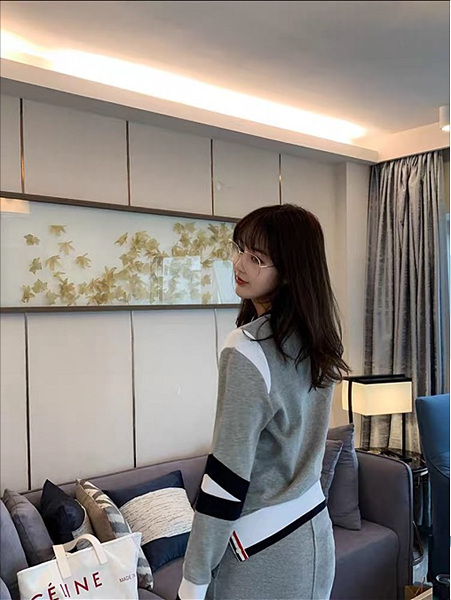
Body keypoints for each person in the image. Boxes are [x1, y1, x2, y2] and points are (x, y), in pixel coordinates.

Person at [177, 204, 349, 600]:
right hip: (314, 533)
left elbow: (226, 475)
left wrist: (194, 579)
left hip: (261, 550)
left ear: (288, 273)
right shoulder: (318, 341)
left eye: (257, 258)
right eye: (240, 249)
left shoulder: (247, 349)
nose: (239, 264)